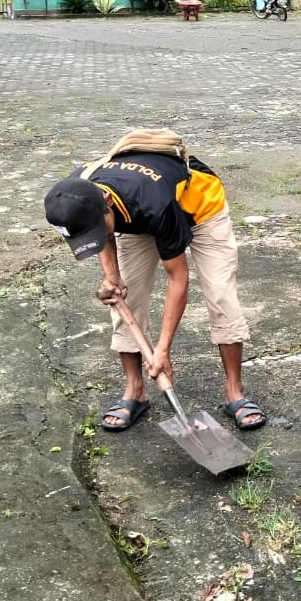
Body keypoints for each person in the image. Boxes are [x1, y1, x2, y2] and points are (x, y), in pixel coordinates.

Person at [43, 129, 265, 433]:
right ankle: (135, 390)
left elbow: (178, 278)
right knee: (127, 300)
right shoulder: (77, 191)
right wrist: (112, 277)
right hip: (134, 218)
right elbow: (102, 234)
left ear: (106, 201)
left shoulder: (154, 200)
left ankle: (234, 391)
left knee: (220, 293)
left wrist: (162, 350)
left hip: (198, 209)